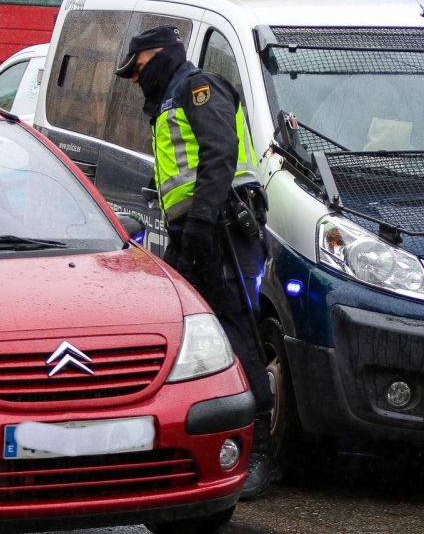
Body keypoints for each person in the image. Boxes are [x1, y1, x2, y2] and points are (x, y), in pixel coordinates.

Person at [115, 26, 277, 500]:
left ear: (161, 56)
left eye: (138, 69)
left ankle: (259, 448)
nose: (133, 80)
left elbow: (220, 155)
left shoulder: (196, 88)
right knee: (185, 334)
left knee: (237, 330)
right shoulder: (168, 102)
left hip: (222, 228)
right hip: (197, 231)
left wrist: (203, 224)